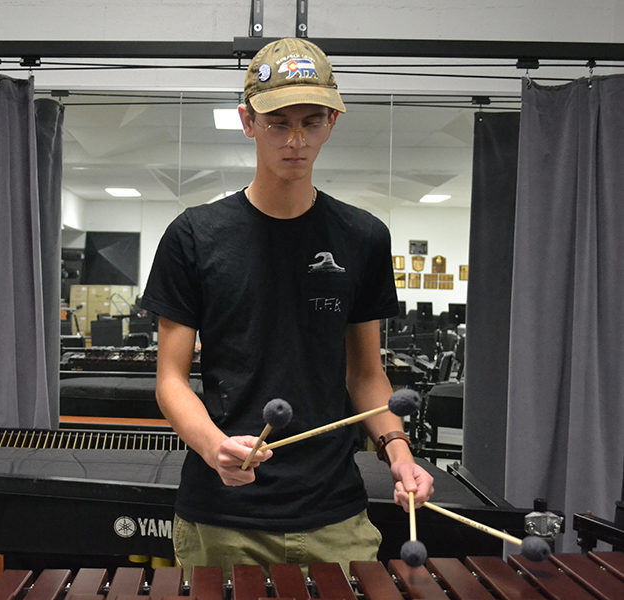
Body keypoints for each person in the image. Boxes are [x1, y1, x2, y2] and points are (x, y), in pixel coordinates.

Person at [139, 37, 435, 575]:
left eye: (312, 121)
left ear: (332, 124)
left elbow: (367, 375)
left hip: (335, 517)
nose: (296, 140)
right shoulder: (194, 237)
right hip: (221, 518)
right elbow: (170, 380)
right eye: (278, 123)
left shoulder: (363, 236)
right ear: (247, 121)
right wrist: (214, 449)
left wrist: (399, 453)